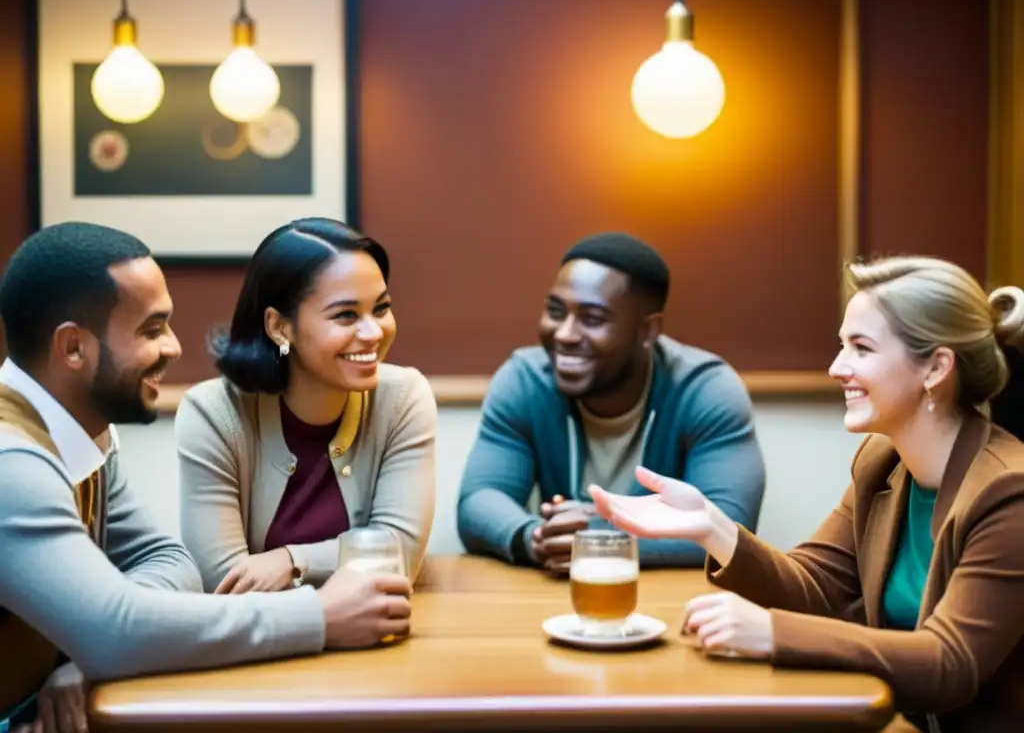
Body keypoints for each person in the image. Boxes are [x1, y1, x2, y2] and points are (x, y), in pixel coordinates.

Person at [0, 223, 412, 733]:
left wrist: (97, 634)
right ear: (73, 348)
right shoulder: (11, 463)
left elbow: (171, 563)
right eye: (152, 330)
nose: (174, 347)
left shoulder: (86, 438)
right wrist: (320, 617)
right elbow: (116, 628)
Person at [589, 255, 1024, 731]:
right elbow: (817, 587)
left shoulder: (1009, 493)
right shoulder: (882, 462)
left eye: (861, 348)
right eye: (842, 345)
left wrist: (773, 634)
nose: (837, 367)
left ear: (936, 367)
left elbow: (950, 664)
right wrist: (712, 528)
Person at [457, 232, 766, 573]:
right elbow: (479, 500)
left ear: (648, 330)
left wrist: (594, 538)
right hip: (561, 602)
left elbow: (731, 527)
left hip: (675, 606)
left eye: (593, 319)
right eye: (556, 311)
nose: (565, 334)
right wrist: (535, 537)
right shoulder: (526, 381)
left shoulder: (705, 391)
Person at [176, 218, 436, 594]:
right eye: (346, 315)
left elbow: (400, 554)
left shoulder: (404, 398)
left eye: (380, 309)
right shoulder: (213, 414)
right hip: (258, 648)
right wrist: (325, 612)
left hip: (377, 634)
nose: (374, 333)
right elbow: (225, 582)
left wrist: (292, 562)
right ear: (280, 327)